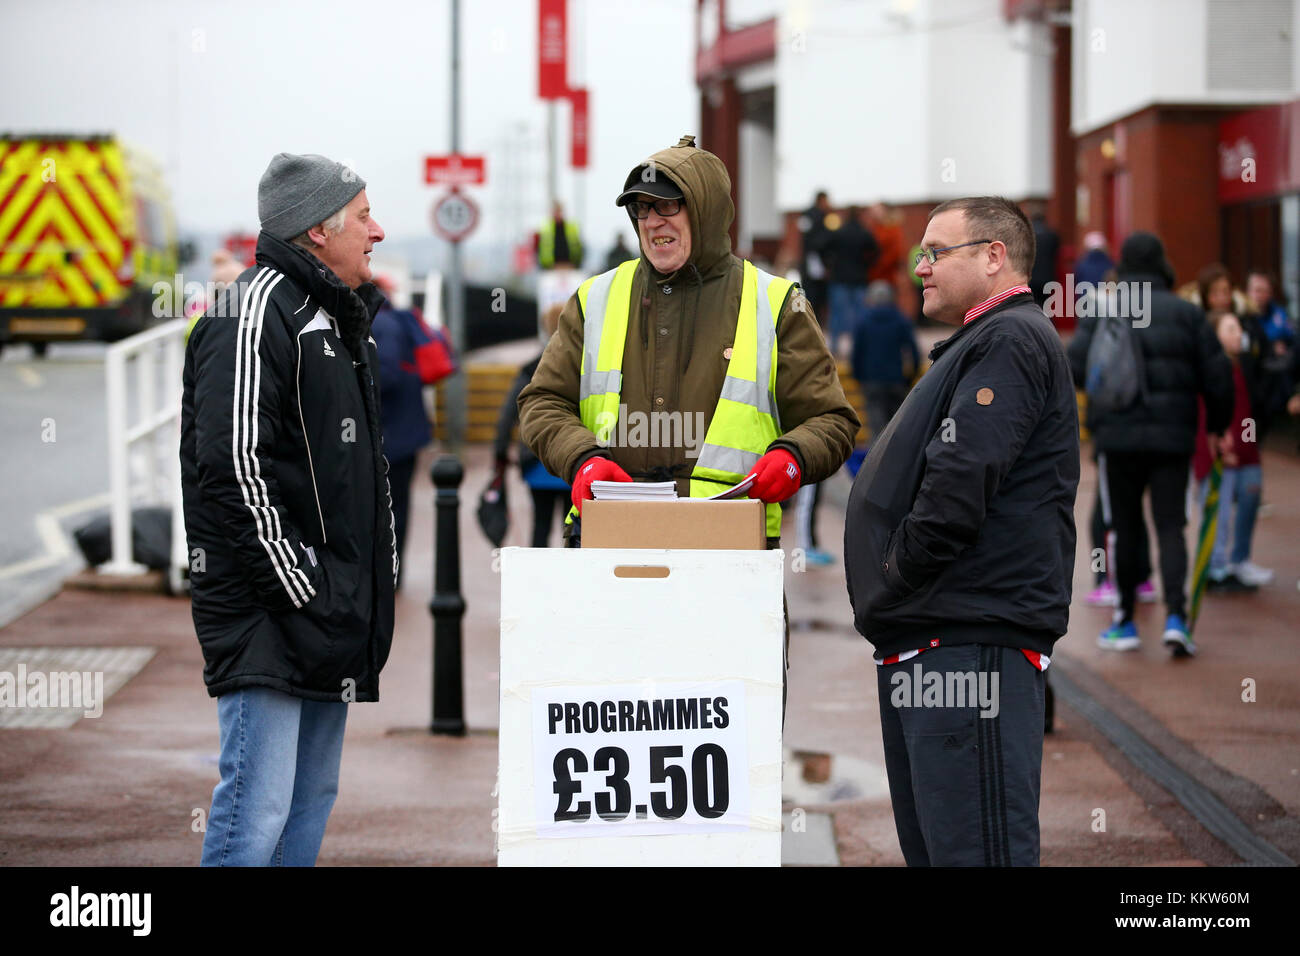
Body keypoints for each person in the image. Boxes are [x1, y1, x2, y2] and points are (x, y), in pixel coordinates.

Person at [844, 196, 1080, 866]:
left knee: (974, 850)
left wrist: (894, 575)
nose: (920, 266)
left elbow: (958, 485)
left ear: (993, 256)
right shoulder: (991, 338)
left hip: (968, 643)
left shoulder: (1009, 338)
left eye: (935, 251)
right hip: (940, 636)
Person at [181, 153, 396, 866]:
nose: (378, 232)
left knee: (306, 808)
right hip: (273, 615)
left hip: (322, 612)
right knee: (256, 816)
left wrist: (343, 594)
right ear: (316, 229)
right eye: (364, 216)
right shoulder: (248, 311)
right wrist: (302, 586)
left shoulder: (328, 315)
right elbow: (232, 463)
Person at [517, 135, 858, 550]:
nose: (652, 220)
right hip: (608, 539)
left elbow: (832, 421)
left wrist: (793, 457)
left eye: (667, 205)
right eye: (642, 208)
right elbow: (541, 401)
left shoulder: (779, 303)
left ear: (706, 212)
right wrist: (583, 459)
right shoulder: (594, 298)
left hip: (729, 544)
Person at [1068, 232, 1233, 656]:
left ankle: (1125, 621)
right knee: (1171, 525)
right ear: (1162, 263)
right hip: (1173, 439)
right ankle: (1176, 618)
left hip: (1116, 439)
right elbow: (1217, 377)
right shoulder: (1187, 313)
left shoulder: (1105, 308)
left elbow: (1077, 368)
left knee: (1122, 528)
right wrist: (1217, 428)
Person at [1192, 310, 1267, 592]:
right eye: (1231, 329)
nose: (1239, 335)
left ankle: (1222, 565)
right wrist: (1221, 445)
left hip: (1233, 454)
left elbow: (1245, 413)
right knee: (1217, 513)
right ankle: (1213, 568)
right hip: (1216, 456)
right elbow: (1209, 414)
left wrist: (1246, 445)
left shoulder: (1238, 367)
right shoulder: (1213, 369)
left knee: (1225, 511)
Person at [371, 279, 433, 584]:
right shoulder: (398, 321)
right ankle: (394, 571)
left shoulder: (381, 325)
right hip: (406, 431)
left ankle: (390, 574)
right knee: (398, 504)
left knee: (390, 505)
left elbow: (388, 374)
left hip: (391, 434)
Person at [494, 303, 570, 547]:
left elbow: (508, 414)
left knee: (540, 525)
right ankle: (572, 581)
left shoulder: (529, 369)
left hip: (536, 463)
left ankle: (539, 581)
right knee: (573, 528)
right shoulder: (582, 365)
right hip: (572, 463)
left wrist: (500, 451)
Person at [850, 279, 919, 442]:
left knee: (876, 431)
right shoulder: (901, 320)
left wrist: (859, 377)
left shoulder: (863, 322)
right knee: (898, 429)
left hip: (872, 382)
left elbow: (856, 353)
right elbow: (913, 351)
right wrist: (909, 376)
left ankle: (876, 465)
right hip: (896, 381)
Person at [824, 204, 879, 359]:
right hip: (859, 277)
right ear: (859, 215)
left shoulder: (839, 232)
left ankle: (834, 348)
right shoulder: (864, 233)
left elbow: (823, 247)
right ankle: (857, 347)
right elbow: (876, 250)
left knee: (837, 314)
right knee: (859, 314)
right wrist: (868, 265)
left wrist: (829, 264)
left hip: (839, 278)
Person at [536, 200, 583, 270]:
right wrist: (546, 266)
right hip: (550, 269)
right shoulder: (546, 229)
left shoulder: (571, 228)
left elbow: (578, 248)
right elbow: (540, 250)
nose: (558, 214)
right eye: (556, 211)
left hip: (570, 268)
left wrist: (576, 264)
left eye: (559, 211)